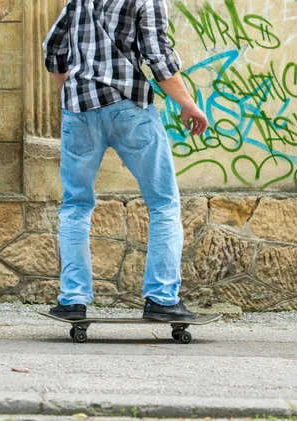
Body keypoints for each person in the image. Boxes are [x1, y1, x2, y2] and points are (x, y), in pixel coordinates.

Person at [43, 0, 209, 321]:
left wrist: (74, 92)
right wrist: (188, 105)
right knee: (163, 203)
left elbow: (53, 48)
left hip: (78, 112)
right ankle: (161, 298)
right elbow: (157, 58)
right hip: (128, 108)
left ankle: (73, 299)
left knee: (75, 205)